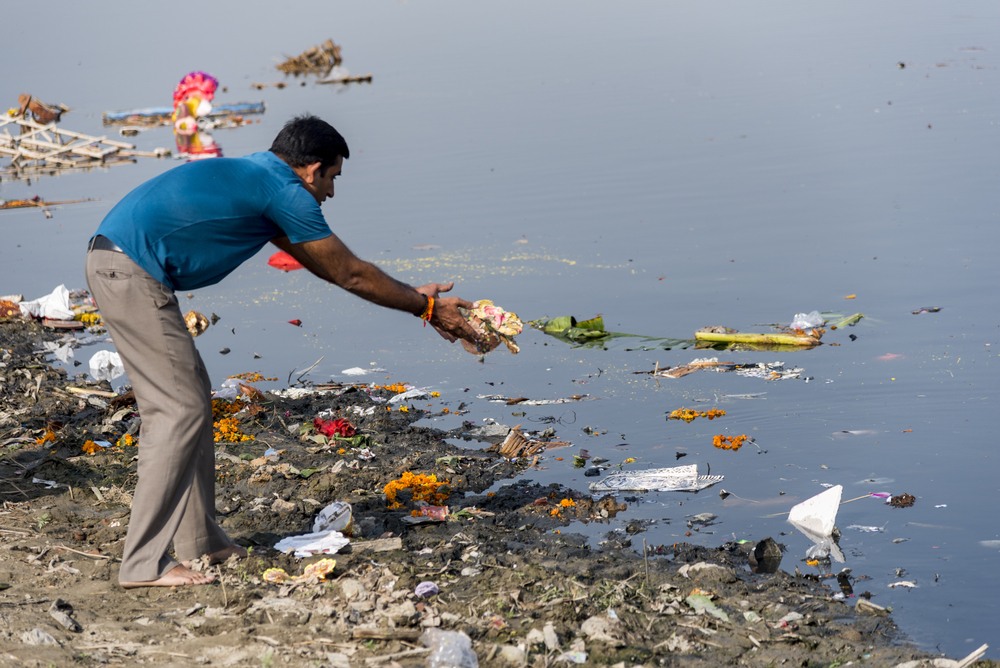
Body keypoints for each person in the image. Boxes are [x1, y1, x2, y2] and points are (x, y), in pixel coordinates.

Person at [85, 115, 482, 588]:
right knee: (177, 410)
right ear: (312, 170)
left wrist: (420, 302)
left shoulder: (260, 178)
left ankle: (201, 542)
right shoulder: (284, 191)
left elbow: (327, 267)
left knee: (191, 403)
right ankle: (142, 564)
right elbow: (350, 273)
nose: (331, 193)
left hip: (122, 262)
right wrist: (427, 307)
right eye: (333, 178)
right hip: (129, 269)